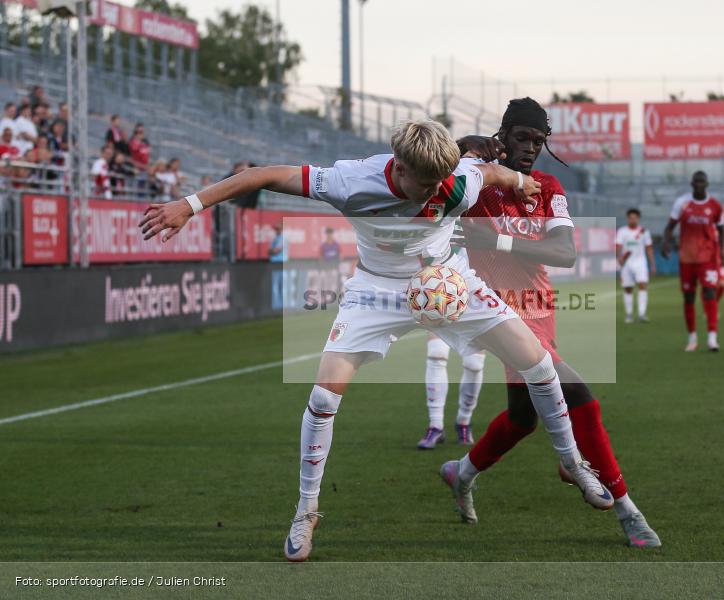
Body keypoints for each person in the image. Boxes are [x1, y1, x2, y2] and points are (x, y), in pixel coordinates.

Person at [140, 118, 614, 562]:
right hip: (376, 291)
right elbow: (263, 174)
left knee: (537, 360)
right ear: (399, 167)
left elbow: (491, 172)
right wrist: (189, 204)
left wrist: (521, 182)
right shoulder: (350, 181)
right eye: (424, 184)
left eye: (440, 183)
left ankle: (572, 461)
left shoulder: (457, 181)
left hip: (447, 283)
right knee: (324, 394)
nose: (433, 192)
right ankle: (306, 512)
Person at [448, 98, 660, 548]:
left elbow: (564, 253)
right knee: (582, 398)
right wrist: (466, 145)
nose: (529, 148)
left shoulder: (547, 185)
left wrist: (498, 241)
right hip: (497, 312)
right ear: (502, 136)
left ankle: (462, 472)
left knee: (524, 418)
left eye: (538, 141)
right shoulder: (475, 176)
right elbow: (430, 165)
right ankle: (626, 508)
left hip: (540, 308)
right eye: (521, 138)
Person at [661, 171, 724, 352]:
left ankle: (712, 338)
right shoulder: (682, 203)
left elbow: (721, 230)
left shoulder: (715, 206)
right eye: (696, 181)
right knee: (689, 297)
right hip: (687, 258)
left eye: (702, 182)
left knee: (709, 293)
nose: (699, 184)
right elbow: (670, 227)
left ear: (707, 184)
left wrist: (722, 251)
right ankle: (692, 338)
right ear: (692, 183)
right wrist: (665, 242)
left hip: (708, 258)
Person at [418, 333, 484, 448]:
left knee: (474, 364)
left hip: (473, 315)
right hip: (441, 317)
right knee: (436, 354)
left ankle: (464, 422)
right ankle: (435, 426)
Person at [616, 208, 655, 323]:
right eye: (630, 217)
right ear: (628, 218)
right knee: (628, 288)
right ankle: (629, 314)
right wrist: (619, 258)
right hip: (626, 263)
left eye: (635, 217)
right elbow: (618, 246)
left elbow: (649, 248)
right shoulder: (622, 231)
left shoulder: (644, 231)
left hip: (640, 262)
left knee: (642, 285)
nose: (632, 219)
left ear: (638, 218)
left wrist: (652, 264)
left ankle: (641, 314)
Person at [270, 222, 288, 309]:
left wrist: (272, 251)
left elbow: (275, 250)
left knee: (282, 285)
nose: (277, 230)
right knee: (275, 285)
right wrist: (272, 251)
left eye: (278, 229)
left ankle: (283, 305)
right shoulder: (275, 239)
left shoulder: (282, 239)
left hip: (282, 263)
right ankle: (277, 305)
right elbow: (270, 251)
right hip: (275, 263)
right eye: (276, 229)